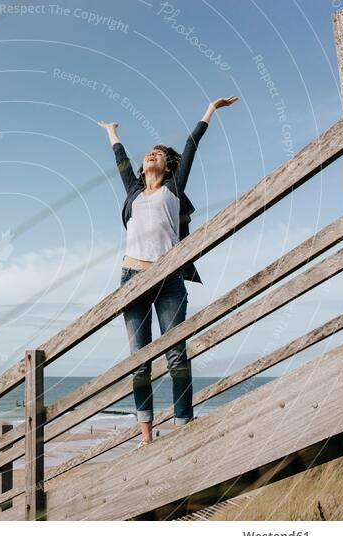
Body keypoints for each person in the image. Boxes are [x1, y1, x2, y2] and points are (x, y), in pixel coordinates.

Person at [97, 96, 238, 445]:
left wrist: (210, 109)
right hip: (132, 280)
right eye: (149, 154)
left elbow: (191, 145)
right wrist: (112, 133)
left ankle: (183, 427)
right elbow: (122, 162)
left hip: (169, 279)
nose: (151, 155)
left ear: (167, 167)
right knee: (139, 361)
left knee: (176, 354)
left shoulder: (174, 189)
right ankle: (146, 435)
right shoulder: (133, 191)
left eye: (158, 154)